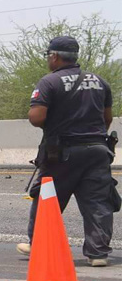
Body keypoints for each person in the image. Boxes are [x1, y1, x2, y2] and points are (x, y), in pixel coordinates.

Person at [16, 36, 115, 267]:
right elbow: (106, 118)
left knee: (47, 197)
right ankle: (98, 253)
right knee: (98, 203)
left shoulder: (49, 82)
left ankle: (38, 244)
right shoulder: (100, 81)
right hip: (98, 150)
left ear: (54, 56)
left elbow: (36, 118)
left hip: (62, 152)